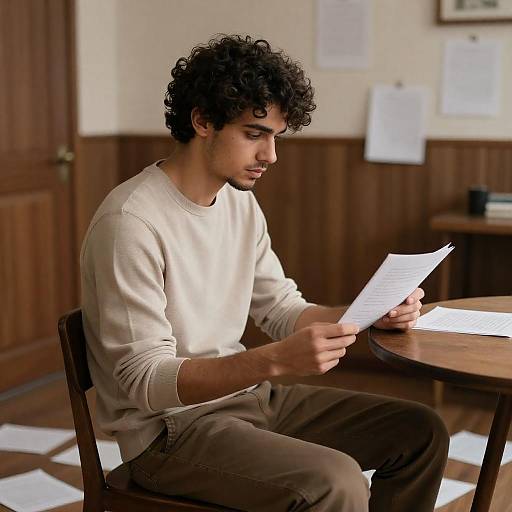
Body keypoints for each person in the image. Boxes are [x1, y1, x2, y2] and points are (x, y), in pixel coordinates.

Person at [80, 35, 449, 512]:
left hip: (249, 399)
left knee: (421, 432)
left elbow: (282, 309)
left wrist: (366, 316)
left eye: (275, 135)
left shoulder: (239, 203)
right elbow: (146, 382)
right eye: (255, 134)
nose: (270, 155)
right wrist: (273, 361)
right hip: (167, 433)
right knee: (336, 482)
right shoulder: (130, 223)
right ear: (203, 121)